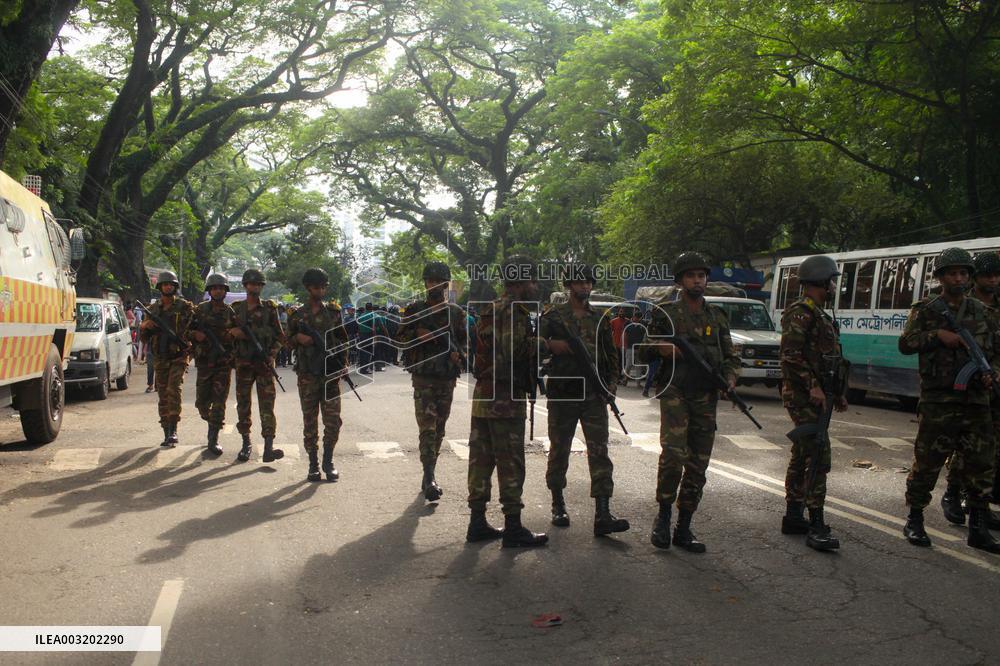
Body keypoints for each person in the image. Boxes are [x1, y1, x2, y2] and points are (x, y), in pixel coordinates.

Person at [899, 247, 1000, 553]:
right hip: (939, 401)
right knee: (928, 461)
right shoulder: (927, 309)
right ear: (941, 277)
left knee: (981, 464)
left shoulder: (984, 313)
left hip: (976, 401)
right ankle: (915, 519)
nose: (959, 278)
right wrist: (936, 336)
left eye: (963, 273)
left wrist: (991, 374)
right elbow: (906, 344)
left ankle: (978, 527)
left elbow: (996, 355)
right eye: (953, 273)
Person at [640, 252, 739, 552]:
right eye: (691, 276)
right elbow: (642, 350)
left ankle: (684, 526)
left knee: (698, 463)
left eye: (702, 275)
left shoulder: (717, 316)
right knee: (673, 455)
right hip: (675, 392)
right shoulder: (665, 312)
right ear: (681, 280)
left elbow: (731, 357)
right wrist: (662, 348)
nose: (698, 280)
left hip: (705, 396)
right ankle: (663, 516)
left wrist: (731, 379)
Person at [540, 264, 629, 536]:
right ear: (569, 285)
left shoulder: (600, 318)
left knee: (600, 452)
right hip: (564, 393)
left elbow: (611, 356)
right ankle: (558, 503)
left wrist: (610, 386)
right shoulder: (553, 316)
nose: (585, 287)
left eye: (589, 282)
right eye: (579, 282)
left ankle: (603, 513)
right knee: (559, 450)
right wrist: (550, 345)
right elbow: (531, 343)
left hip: (593, 394)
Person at [466, 255, 548, 547]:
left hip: (485, 395)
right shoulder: (515, 310)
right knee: (510, 462)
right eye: (532, 280)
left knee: (481, 461)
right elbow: (513, 350)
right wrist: (548, 344)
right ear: (521, 281)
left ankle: (477, 523)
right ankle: (513, 527)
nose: (535, 285)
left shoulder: (491, 308)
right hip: (504, 397)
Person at [779, 255, 847, 551]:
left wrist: (838, 391)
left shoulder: (820, 314)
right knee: (818, 455)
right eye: (831, 280)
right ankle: (816, 523)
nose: (833, 285)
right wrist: (814, 386)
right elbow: (790, 355)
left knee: (803, 452)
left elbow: (829, 357)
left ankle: (794, 515)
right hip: (803, 394)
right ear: (821, 281)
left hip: (819, 394)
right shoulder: (802, 312)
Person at [396, 262, 467, 502]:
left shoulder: (456, 313)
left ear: (446, 283)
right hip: (424, 377)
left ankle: (430, 472)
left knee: (439, 429)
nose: (434, 285)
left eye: (439, 281)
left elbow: (464, 344)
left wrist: (460, 356)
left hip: (447, 378)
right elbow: (400, 340)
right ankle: (429, 477)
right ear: (425, 283)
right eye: (431, 281)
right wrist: (419, 335)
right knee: (427, 428)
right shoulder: (415, 310)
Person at [940, 251, 1000, 529]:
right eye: (988, 275)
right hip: (969, 388)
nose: (994, 280)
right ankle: (953, 492)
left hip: (994, 384)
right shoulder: (965, 306)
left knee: (989, 450)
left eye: (997, 275)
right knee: (966, 446)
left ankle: (980, 504)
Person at [287, 268, 349, 482]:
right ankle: (313, 463)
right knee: (310, 421)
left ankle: (328, 460)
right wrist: (298, 339)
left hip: (330, 373)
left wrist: (344, 364)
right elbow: (286, 340)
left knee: (333, 421)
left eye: (323, 287)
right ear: (307, 288)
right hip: (307, 374)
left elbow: (343, 340)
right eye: (316, 287)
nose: (320, 291)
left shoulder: (333, 313)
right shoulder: (297, 315)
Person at [228, 268, 285, 464]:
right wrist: (234, 333)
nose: (255, 287)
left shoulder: (270, 309)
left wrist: (272, 355)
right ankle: (246, 444)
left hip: (264, 364)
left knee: (267, 405)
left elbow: (279, 336)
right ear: (245, 285)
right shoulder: (236, 309)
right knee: (243, 405)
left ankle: (269, 447)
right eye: (252, 284)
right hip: (243, 363)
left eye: (258, 284)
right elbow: (225, 334)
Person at [139, 271, 195, 447]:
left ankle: (173, 429)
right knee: (163, 394)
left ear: (175, 287)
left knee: (174, 389)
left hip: (179, 356)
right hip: (160, 357)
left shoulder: (185, 307)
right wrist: (145, 326)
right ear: (160, 287)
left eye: (171, 284)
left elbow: (195, 326)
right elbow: (144, 338)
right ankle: (166, 430)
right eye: (165, 284)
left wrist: (191, 344)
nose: (168, 287)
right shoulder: (153, 309)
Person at [190, 274, 237, 456]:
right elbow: (186, 330)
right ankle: (210, 420)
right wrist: (195, 335)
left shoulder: (230, 312)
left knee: (219, 402)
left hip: (223, 364)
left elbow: (238, 335)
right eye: (215, 288)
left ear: (225, 291)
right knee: (202, 403)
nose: (218, 290)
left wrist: (232, 337)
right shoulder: (199, 310)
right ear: (209, 291)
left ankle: (213, 438)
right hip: (204, 363)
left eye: (221, 288)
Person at [622, 310, 645, 387]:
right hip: (630, 347)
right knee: (628, 365)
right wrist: (624, 345)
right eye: (636, 317)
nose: (637, 319)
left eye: (639, 318)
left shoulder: (643, 325)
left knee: (639, 365)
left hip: (639, 348)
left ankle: (638, 383)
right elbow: (624, 335)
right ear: (633, 317)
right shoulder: (628, 324)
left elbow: (645, 336)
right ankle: (625, 379)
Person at [610, 308, 627, 384]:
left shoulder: (628, 321)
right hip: (616, 344)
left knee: (623, 362)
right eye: (620, 312)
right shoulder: (613, 321)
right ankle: (616, 377)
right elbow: (609, 332)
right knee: (616, 361)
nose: (622, 313)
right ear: (618, 312)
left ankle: (621, 376)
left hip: (624, 345)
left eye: (623, 312)